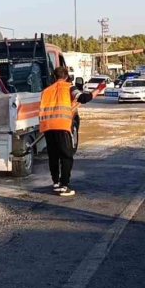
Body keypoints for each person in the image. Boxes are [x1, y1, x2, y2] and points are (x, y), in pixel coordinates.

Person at [39, 66, 94, 197]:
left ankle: (56, 182)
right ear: (66, 76)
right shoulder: (69, 87)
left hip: (47, 127)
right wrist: (95, 92)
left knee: (53, 156)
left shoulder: (46, 91)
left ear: (54, 76)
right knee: (66, 156)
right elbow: (82, 98)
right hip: (62, 126)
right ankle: (64, 185)